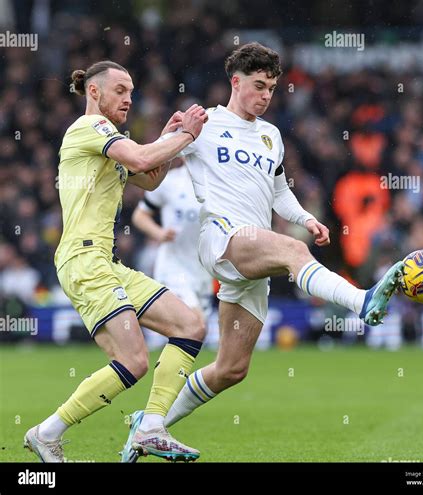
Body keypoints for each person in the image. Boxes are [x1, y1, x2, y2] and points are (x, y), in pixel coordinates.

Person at [123, 43, 403, 460]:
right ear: (235, 82)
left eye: (271, 87)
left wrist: (306, 217)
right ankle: (361, 301)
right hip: (220, 237)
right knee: (292, 250)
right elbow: (146, 170)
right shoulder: (205, 123)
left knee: (231, 369)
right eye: (258, 85)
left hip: (252, 248)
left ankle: (149, 425)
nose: (266, 95)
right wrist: (172, 134)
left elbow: (278, 191)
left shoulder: (271, 136)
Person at [23, 60, 208, 463]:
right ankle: (48, 432)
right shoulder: (89, 128)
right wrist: (187, 134)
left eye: (131, 91)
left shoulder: (110, 140)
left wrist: (169, 136)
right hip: (83, 259)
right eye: (121, 90)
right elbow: (142, 160)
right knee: (133, 360)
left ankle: (152, 427)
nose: (129, 98)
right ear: (94, 92)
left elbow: (150, 177)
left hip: (106, 262)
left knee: (190, 325)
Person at [131, 159, 214, 349]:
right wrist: (159, 233)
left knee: (197, 333)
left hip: (203, 270)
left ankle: (174, 374)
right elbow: (139, 216)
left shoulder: (219, 183)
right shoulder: (169, 183)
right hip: (174, 266)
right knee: (195, 323)